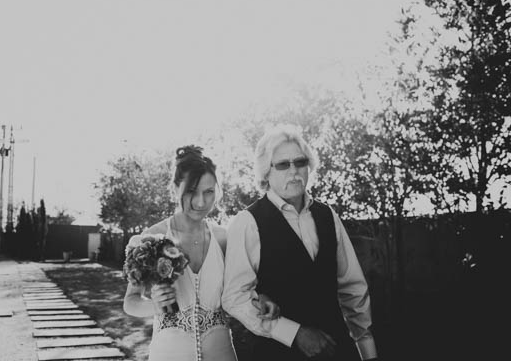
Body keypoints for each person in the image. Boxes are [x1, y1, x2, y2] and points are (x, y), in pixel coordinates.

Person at [222, 124, 378, 361]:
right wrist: (293, 333)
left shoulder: (327, 216)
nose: (294, 171)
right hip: (277, 354)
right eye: (283, 164)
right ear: (266, 172)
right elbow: (235, 297)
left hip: (337, 350)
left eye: (300, 162)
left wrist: (368, 352)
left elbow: (352, 288)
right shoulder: (248, 223)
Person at [123, 145, 279, 361]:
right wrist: (154, 306)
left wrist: (260, 296)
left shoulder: (225, 239)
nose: (200, 202)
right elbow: (130, 302)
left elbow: (242, 289)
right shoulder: (151, 239)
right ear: (175, 188)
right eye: (191, 192)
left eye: (208, 192)